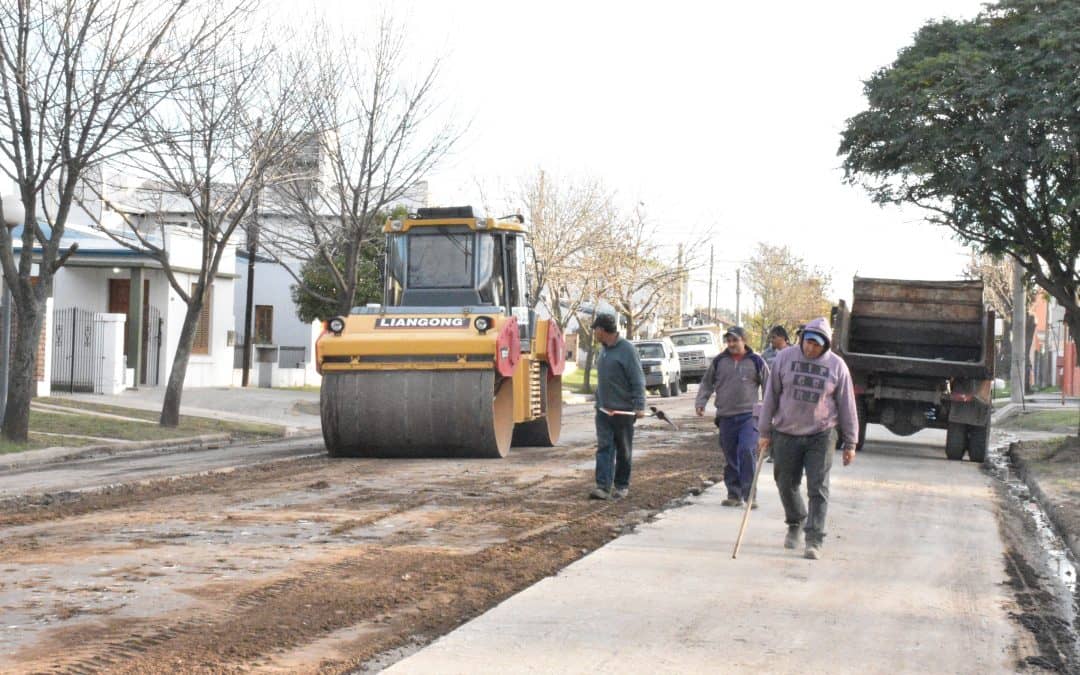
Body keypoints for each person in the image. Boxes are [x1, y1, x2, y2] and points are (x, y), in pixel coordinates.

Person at [757, 316, 858, 560]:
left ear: (825, 345)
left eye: (817, 344)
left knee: (818, 487)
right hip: (785, 432)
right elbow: (770, 396)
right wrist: (763, 431)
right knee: (785, 483)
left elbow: (847, 404)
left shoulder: (837, 366)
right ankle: (796, 521)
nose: (810, 348)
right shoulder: (784, 358)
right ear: (802, 339)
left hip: (821, 434)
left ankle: (814, 539)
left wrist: (851, 442)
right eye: (808, 342)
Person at [694, 326, 769, 508]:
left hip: (748, 417)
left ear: (744, 340)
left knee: (746, 451)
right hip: (726, 416)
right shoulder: (720, 361)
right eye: (728, 341)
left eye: (735, 340)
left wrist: (770, 413)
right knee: (730, 456)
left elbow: (769, 386)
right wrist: (701, 402)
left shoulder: (756, 361)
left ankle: (750, 494)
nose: (731, 344)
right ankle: (734, 494)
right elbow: (707, 383)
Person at [589, 313, 646, 500]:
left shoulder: (627, 350)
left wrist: (639, 405)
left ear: (602, 330)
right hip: (604, 410)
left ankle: (621, 485)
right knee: (604, 447)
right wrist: (598, 402)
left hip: (623, 410)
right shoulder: (603, 350)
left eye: (595, 330)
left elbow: (637, 379)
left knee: (623, 449)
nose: (594, 334)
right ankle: (603, 486)